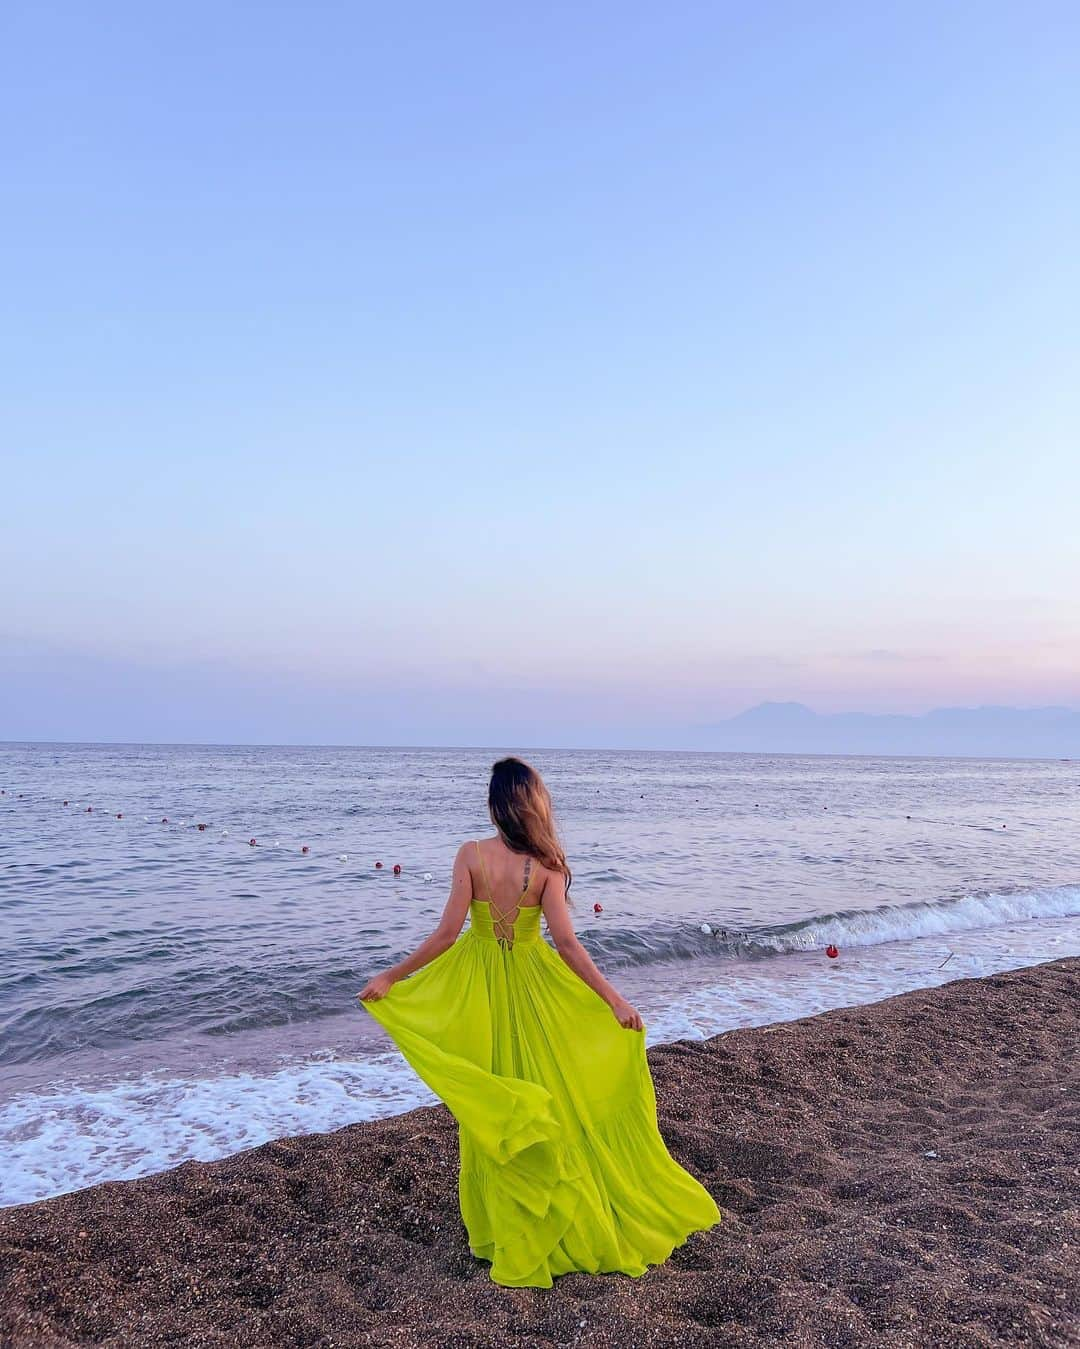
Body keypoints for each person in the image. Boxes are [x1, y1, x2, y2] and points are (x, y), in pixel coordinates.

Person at [356, 756, 720, 1287]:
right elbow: (567, 945)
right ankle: (544, 1208)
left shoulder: (470, 855)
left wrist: (392, 976)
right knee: (547, 1087)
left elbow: (445, 936)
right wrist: (613, 999)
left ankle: (502, 1228)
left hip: (481, 989)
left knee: (498, 1096)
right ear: (534, 803)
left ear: (494, 804)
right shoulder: (547, 865)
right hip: (534, 985)